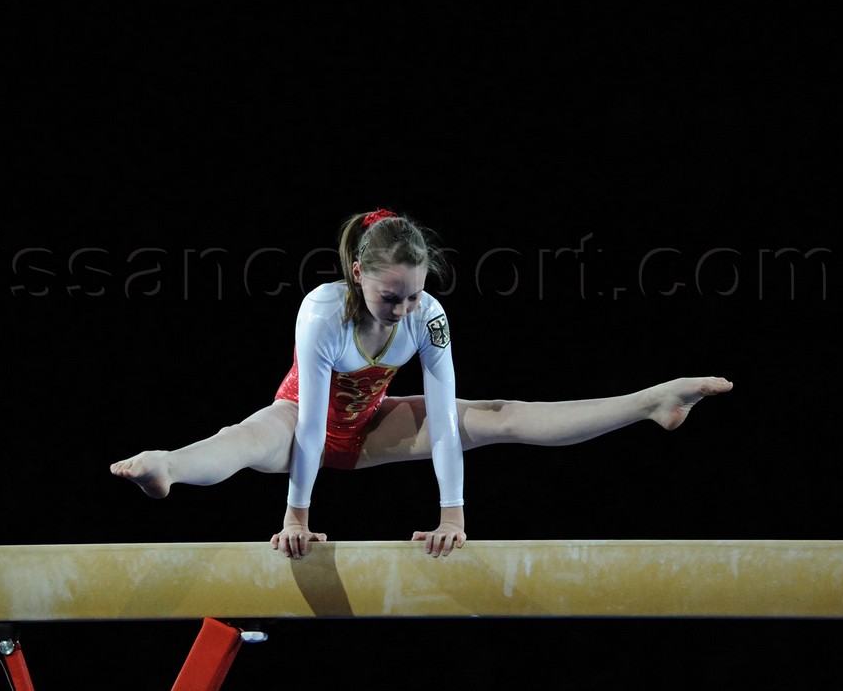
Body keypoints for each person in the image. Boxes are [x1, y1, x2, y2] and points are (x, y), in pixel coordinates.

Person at [110, 208, 733, 560]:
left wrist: (451, 515)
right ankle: (167, 465)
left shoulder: (429, 318)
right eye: (391, 296)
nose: (404, 310)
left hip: (371, 426)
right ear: (358, 273)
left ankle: (650, 401)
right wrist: (296, 518)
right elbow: (311, 423)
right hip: (299, 420)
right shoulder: (321, 312)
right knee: (242, 439)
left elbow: (444, 423)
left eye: (414, 295)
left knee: (494, 414)